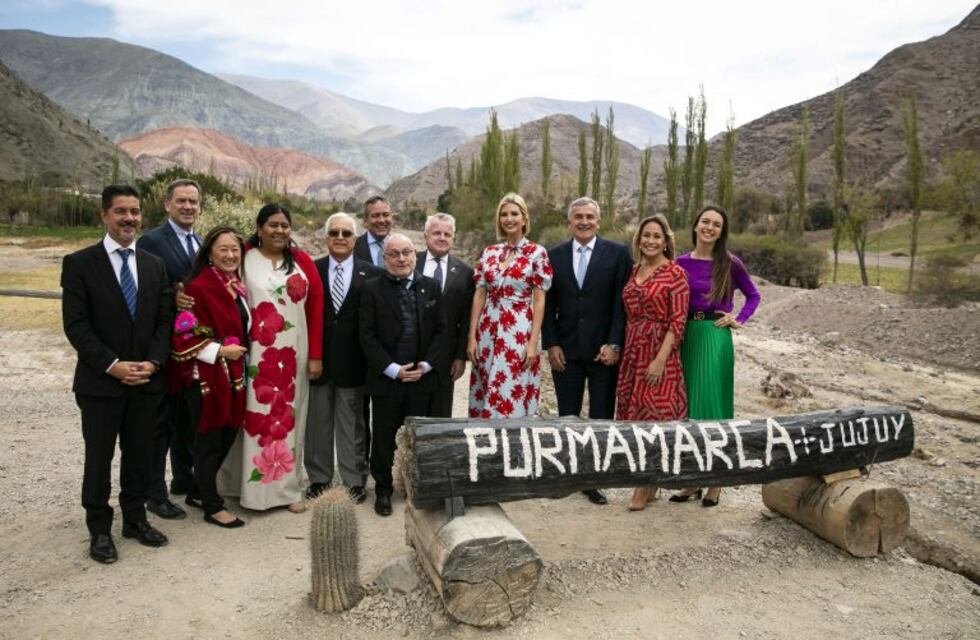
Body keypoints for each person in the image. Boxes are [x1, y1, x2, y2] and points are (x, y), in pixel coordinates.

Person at [61, 184, 172, 564]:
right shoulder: (79, 264)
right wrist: (113, 365)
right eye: (121, 211)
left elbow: (164, 322)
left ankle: (135, 519)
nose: (130, 218)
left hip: (146, 381)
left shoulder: (153, 265)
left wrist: (154, 363)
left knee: (140, 454)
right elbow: (76, 326)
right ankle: (99, 528)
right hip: (100, 384)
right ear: (104, 215)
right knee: (99, 457)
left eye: (135, 211)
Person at [217, 203, 324, 512]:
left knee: (289, 420)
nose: (279, 230)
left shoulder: (301, 261)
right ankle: (242, 487)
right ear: (260, 227)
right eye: (272, 225)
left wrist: (315, 355)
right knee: (253, 419)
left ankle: (287, 491)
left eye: (284, 225)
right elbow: (218, 289)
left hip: (294, 356)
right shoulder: (244, 257)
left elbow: (316, 309)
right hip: (254, 357)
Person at [670, 205, 761, 507]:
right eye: (705, 222)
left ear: (722, 232)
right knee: (687, 407)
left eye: (716, 224)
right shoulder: (679, 262)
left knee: (711, 408)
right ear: (696, 226)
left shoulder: (730, 263)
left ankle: (716, 480)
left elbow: (754, 295)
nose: (709, 228)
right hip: (685, 335)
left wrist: (740, 319)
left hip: (713, 335)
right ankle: (691, 481)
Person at [542, 196, 631, 505]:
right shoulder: (553, 256)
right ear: (569, 222)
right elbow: (546, 305)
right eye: (578, 217)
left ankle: (594, 479)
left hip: (602, 351)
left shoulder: (618, 254)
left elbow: (621, 305)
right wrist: (550, 343)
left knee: (600, 416)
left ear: (598, 220)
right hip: (565, 351)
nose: (583, 222)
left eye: (589, 217)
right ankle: (565, 475)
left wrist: (614, 343)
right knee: (567, 416)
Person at [359, 233, 445, 516]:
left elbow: (442, 331)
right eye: (394, 254)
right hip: (388, 380)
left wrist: (426, 366)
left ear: (415, 255)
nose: (401, 259)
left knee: (417, 437)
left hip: (422, 378)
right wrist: (393, 370)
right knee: (384, 438)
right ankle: (383, 491)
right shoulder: (371, 289)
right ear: (385, 258)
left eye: (406, 252)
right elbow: (366, 335)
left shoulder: (431, 287)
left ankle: (416, 487)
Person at [169, 226, 250, 528]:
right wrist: (218, 351)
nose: (230, 255)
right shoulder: (198, 287)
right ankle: (212, 505)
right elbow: (183, 335)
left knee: (228, 433)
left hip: (233, 374)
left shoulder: (236, 283)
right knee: (209, 439)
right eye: (223, 249)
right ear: (210, 253)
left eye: (235, 249)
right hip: (206, 376)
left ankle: (197, 491)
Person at [137, 178, 204, 520]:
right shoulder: (151, 241)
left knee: (187, 418)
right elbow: (145, 289)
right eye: (182, 201)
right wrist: (172, 298)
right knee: (160, 422)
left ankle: (184, 479)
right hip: (164, 345)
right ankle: (155, 493)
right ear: (167, 205)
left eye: (193, 202)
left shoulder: (202, 241)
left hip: (194, 349)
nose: (188, 207)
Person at [615, 215, 690, 511]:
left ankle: (643, 486)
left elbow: (678, 321)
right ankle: (648, 479)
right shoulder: (635, 270)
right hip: (634, 350)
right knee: (633, 417)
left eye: (656, 236)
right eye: (646, 235)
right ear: (639, 239)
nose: (650, 241)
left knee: (654, 418)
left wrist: (660, 360)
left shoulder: (675, 274)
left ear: (666, 241)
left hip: (660, 352)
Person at [306, 213, 381, 503]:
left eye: (346, 233)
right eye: (334, 232)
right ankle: (319, 478)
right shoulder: (312, 271)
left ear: (355, 238)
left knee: (352, 425)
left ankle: (354, 480)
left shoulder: (371, 273)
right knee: (317, 424)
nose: (340, 237)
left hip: (355, 363)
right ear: (326, 238)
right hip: (318, 362)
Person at [467, 193, 553, 419]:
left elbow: (539, 299)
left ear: (524, 219)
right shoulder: (490, 252)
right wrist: (472, 337)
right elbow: (479, 294)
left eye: (514, 214)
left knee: (511, 387)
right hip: (487, 328)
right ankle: (484, 444)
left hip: (518, 331)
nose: (508, 219)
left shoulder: (537, 253)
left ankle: (513, 445)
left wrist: (533, 342)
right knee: (487, 383)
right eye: (504, 214)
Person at [417, 212, 474, 417]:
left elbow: (466, 319)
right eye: (436, 233)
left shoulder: (466, 273)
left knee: (440, 418)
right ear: (425, 236)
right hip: (411, 356)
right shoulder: (411, 263)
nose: (442, 238)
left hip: (445, 359)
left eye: (447, 234)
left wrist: (460, 357)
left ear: (453, 238)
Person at [354, 195, 393, 267]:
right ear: (365, 220)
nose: (381, 220)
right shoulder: (353, 248)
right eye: (375, 215)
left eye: (386, 215)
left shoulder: (402, 247)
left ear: (392, 218)